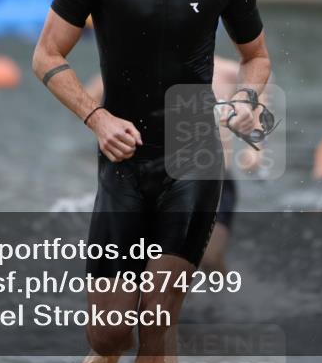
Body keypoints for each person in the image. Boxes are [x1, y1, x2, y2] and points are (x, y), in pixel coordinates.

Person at [32, 0, 271, 363]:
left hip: (193, 150)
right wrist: (96, 117)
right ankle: (105, 352)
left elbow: (256, 57)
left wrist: (248, 100)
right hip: (122, 153)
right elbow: (46, 55)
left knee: (159, 317)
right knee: (110, 331)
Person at [84, 56, 260, 276]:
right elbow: (90, 101)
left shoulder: (228, 71)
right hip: (154, 175)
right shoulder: (142, 67)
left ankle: (226, 297)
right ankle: (181, 303)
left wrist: (254, 146)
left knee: (209, 257)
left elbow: (258, 89)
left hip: (215, 177)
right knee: (153, 257)